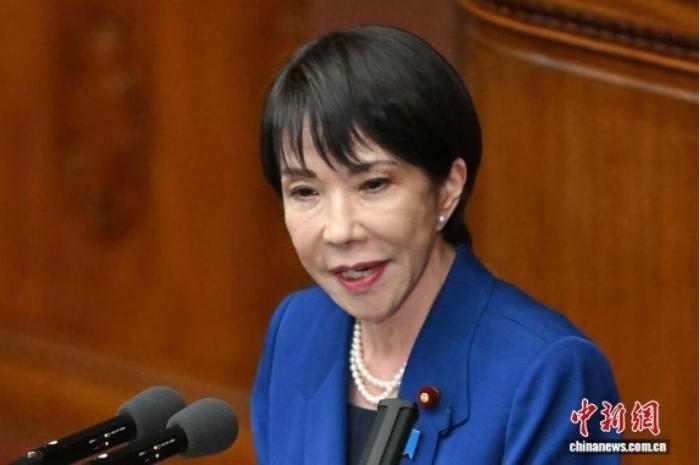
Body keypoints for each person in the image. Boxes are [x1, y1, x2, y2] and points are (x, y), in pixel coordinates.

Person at [251, 25, 620, 465]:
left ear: (447, 189)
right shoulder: (297, 327)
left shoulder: (550, 372)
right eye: (305, 192)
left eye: (373, 184)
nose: (340, 230)